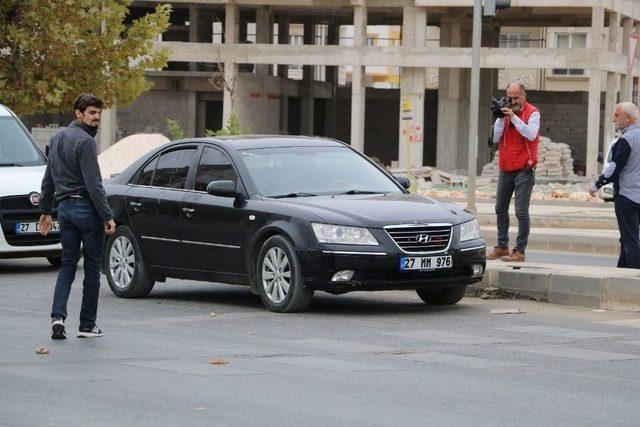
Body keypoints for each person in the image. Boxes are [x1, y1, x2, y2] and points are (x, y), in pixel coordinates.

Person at [39, 94, 116, 339]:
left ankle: (57, 317)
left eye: (98, 114)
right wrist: (107, 215)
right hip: (85, 208)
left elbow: (48, 179)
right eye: (92, 113)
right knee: (92, 268)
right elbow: (94, 184)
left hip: (65, 210)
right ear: (78, 113)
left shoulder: (57, 138)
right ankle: (87, 325)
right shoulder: (85, 142)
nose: (96, 118)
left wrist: (45, 211)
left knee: (68, 266)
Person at [486, 83, 541, 262]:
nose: (513, 101)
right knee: (500, 208)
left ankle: (519, 251)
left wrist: (515, 118)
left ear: (524, 95)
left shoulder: (533, 113)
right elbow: (494, 138)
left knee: (521, 211)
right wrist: (501, 118)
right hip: (506, 168)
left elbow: (531, 134)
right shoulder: (505, 111)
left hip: (524, 169)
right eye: (510, 97)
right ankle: (502, 246)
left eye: (516, 98)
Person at [590, 102, 640, 269]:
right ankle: (621, 273)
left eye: (617, 115)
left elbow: (614, 168)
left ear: (628, 118)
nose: (614, 119)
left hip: (627, 197)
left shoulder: (626, 140)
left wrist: (597, 184)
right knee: (625, 239)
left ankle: (633, 280)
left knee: (631, 241)